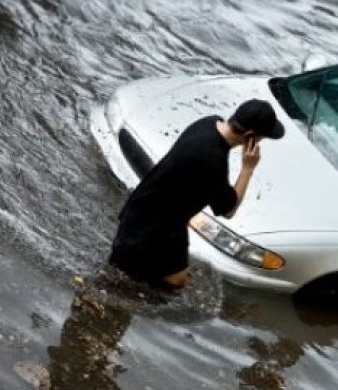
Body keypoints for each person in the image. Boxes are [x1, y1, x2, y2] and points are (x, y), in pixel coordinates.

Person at [109, 99, 285, 290]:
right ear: (250, 135)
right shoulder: (212, 161)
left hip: (157, 215)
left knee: (175, 279)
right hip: (150, 228)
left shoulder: (208, 123)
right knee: (129, 282)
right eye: (261, 138)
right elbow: (228, 210)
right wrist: (247, 168)